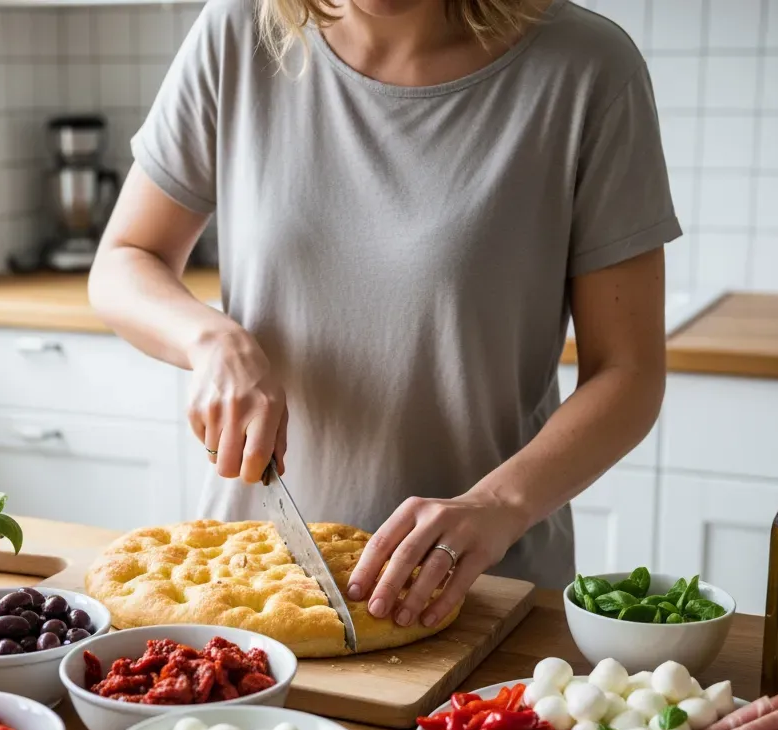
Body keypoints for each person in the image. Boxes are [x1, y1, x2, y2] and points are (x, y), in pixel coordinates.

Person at [89, 0, 677, 631]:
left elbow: (628, 371)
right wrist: (211, 341)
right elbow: (125, 259)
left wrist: (497, 504)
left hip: (481, 589)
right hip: (251, 582)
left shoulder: (586, 67)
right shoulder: (239, 30)